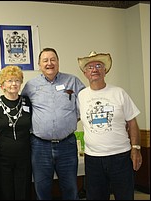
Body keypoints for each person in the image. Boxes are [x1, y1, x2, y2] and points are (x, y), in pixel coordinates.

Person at [21, 47, 86, 200]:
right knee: (42, 190)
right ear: (39, 65)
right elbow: (22, 108)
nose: (49, 63)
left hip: (67, 144)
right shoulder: (31, 86)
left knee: (70, 188)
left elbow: (86, 102)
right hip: (39, 146)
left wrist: (70, 120)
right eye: (45, 60)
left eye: (53, 59)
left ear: (58, 62)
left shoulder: (72, 81)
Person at [77, 51, 143, 200]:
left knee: (125, 196)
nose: (94, 69)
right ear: (85, 73)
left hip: (120, 157)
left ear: (105, 71)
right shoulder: (81, 96)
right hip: (93, 159)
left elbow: (132, 123)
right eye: (90, 67)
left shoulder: (119, 93)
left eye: (98, 66)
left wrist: (136, 148)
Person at [0, 65, 32, 200]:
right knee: (5, 192)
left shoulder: (27, 102)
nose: (13, 84)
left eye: (17, 80)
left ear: (21, 83)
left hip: (24, 158)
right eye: (9, 80)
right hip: (2, 158)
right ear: (2, 84)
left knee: (23, 192)